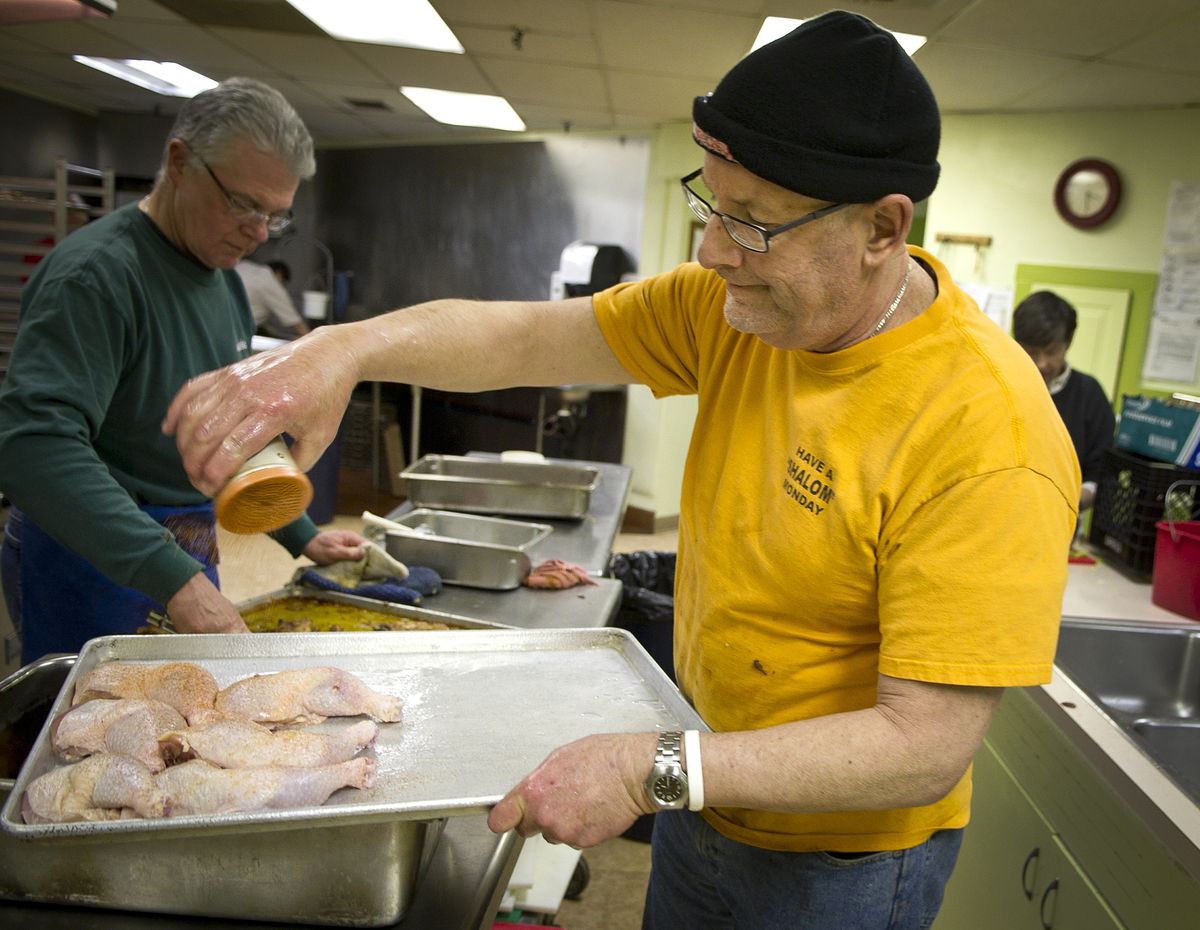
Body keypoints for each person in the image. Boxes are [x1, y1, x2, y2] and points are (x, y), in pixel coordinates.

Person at [163, 13, 1079, 930]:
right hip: (705, 787)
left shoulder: (985, 431)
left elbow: (922, 747)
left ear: (882, 228)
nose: (713, 252)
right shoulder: (733, 308)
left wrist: (652, 766)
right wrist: (343, 350)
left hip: (838, 867)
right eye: (712, 206)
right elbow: (521, 334)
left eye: (753, 224)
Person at [0, 77, 366, 665]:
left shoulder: (222, 284)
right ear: (178, 161)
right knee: (85, 735)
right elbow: (33, 447)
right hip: (94, 549)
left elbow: (224, 431)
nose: (258, 233)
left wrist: (301, 532)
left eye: (276, 217)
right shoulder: (97, 276)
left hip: (186, 544)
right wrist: (172, 577)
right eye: (244, 204)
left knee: (191, 721)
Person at [1012, 290, 1115, 512]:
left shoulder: (1090, 394)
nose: (1041, 364)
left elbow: (1099, 475)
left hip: (1062, 524)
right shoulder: (1002, 386)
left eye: (1051, 352)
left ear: (1067, 343)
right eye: (1031, 352)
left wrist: (1060, 503)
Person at [235, 257, 310, 338]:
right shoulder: (269, 280)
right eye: (283, 285)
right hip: (238, 332)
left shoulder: (244, 266)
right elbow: (296, 323)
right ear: (279, 274)